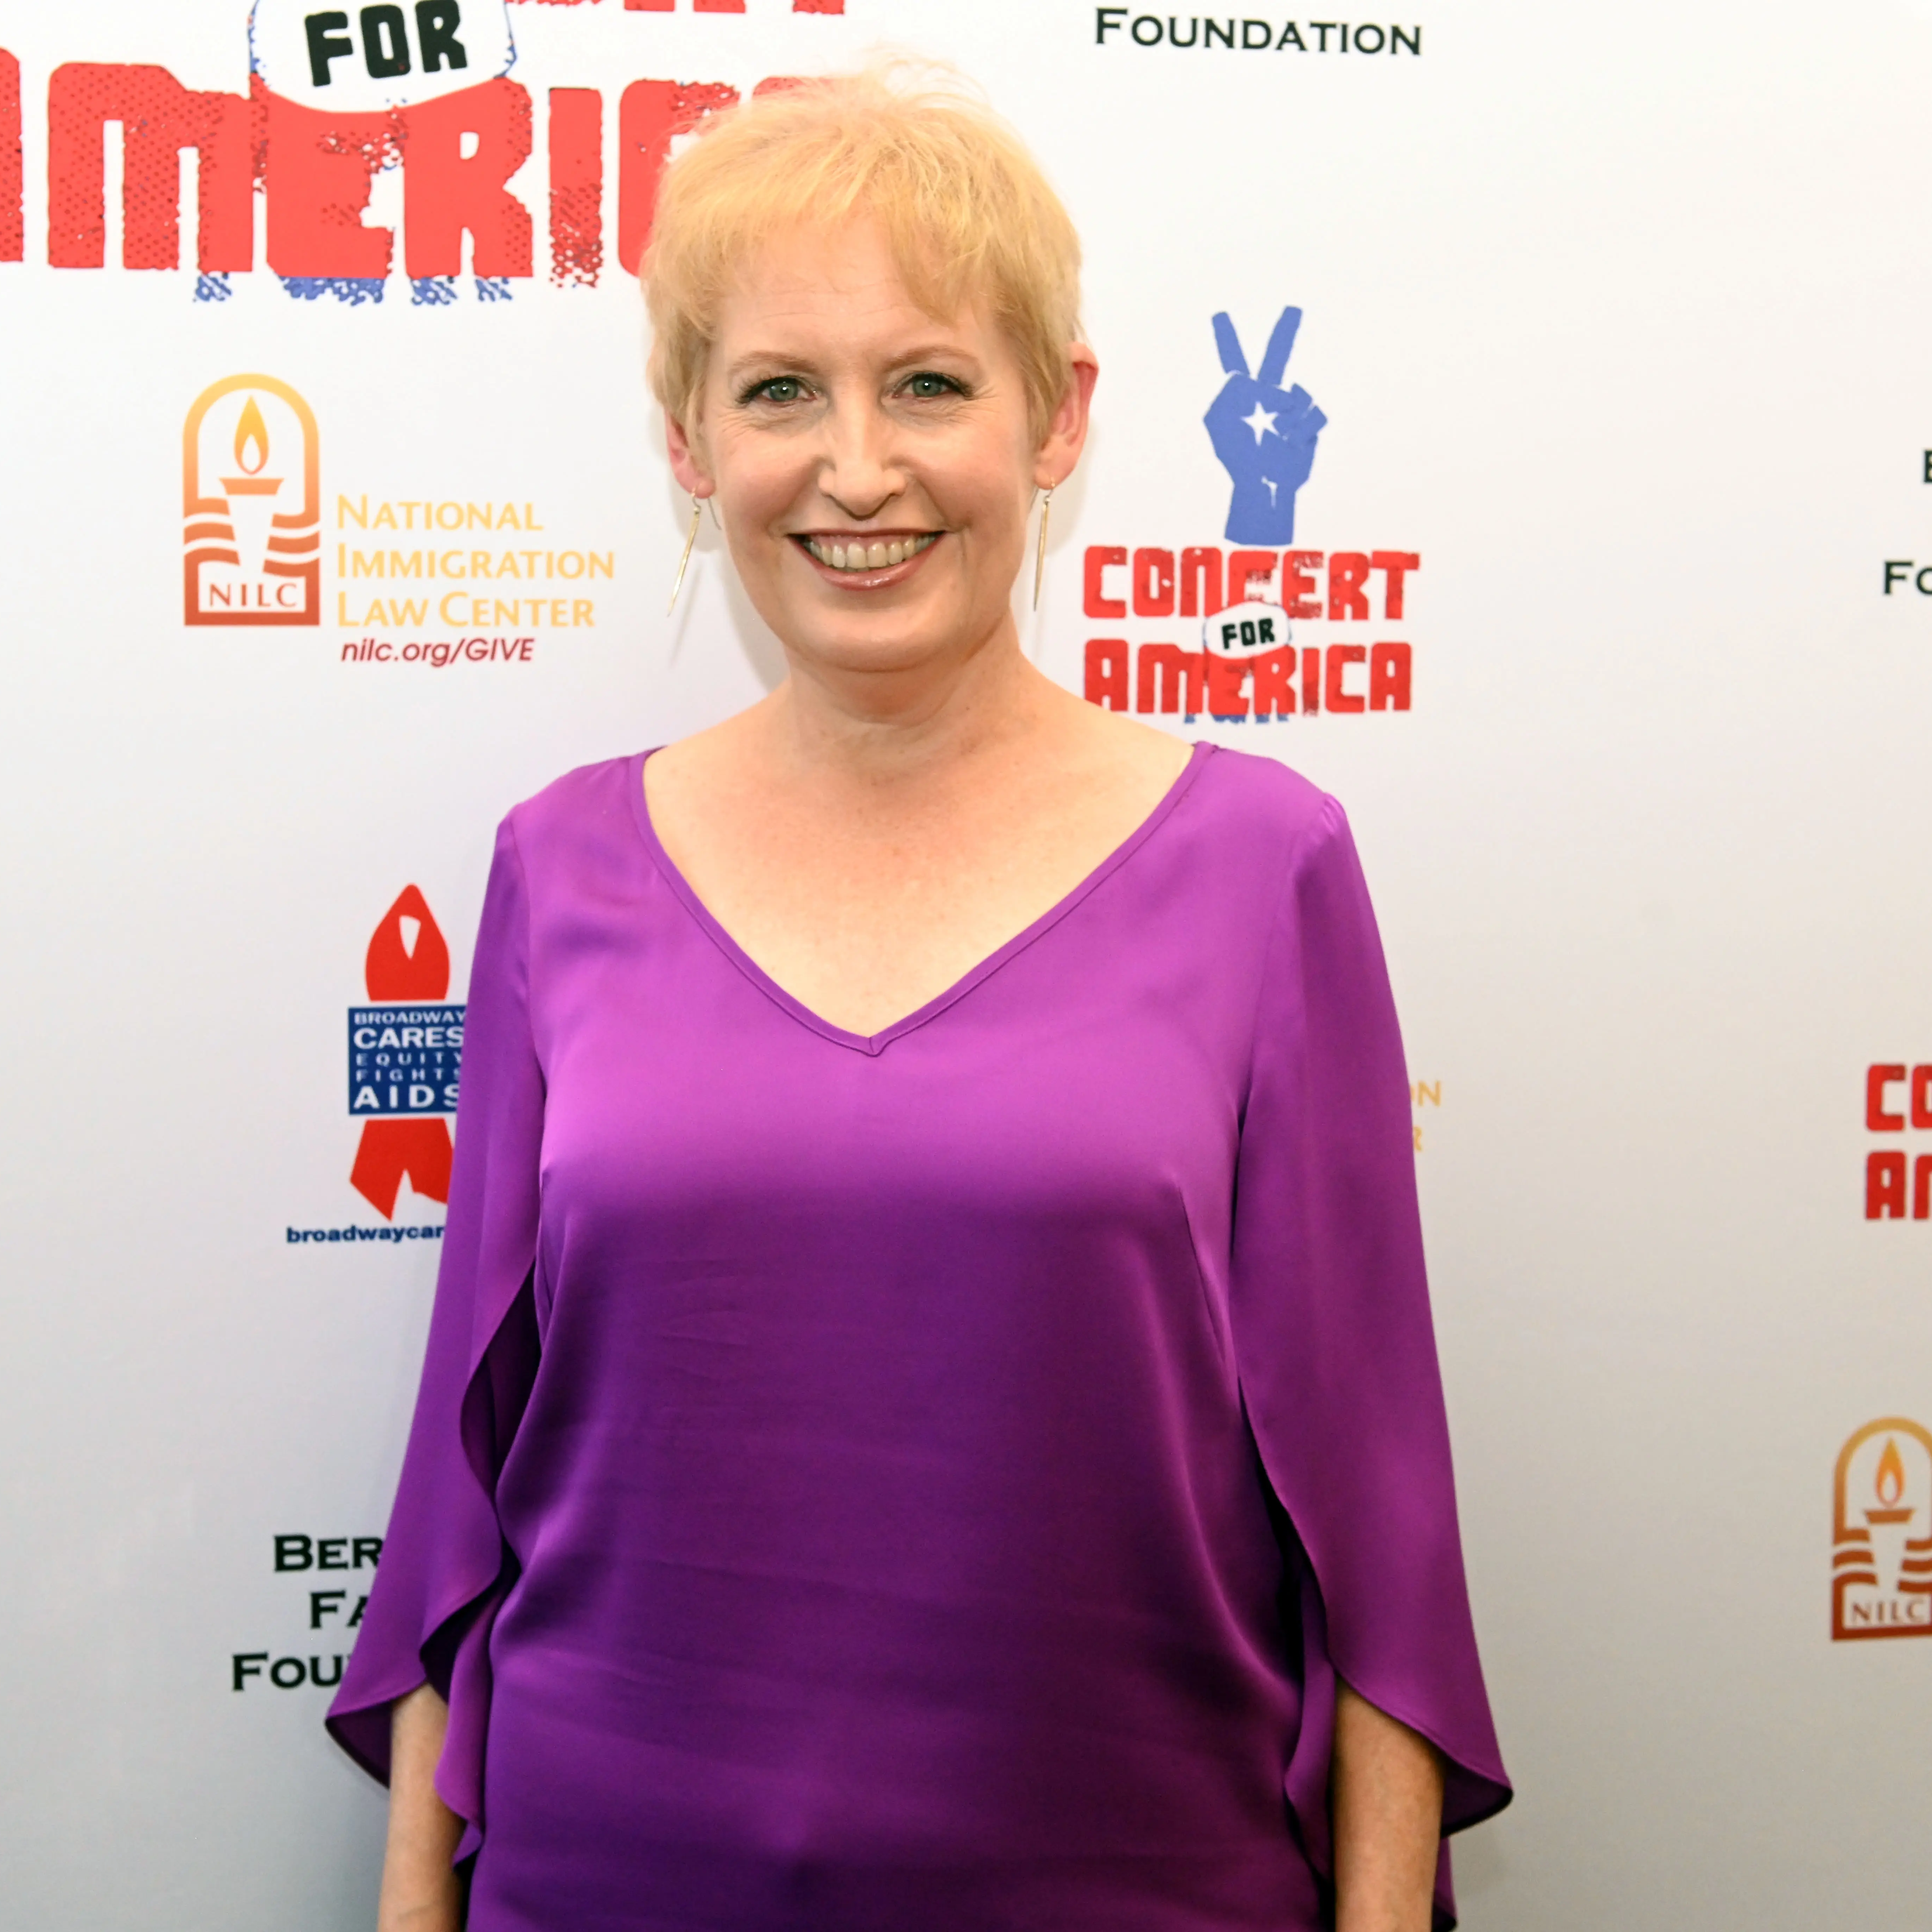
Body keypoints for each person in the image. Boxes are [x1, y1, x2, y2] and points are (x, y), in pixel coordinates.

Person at [328, 64, 1510, 1932]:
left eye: (932, 383)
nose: (858, 468)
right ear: (687, 439)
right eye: (780, 390)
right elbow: (454, 1510)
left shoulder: (1264, 868)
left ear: (1060, 416)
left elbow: (1379, 1537)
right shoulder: (558, 871)